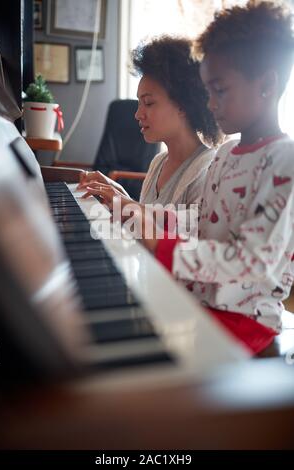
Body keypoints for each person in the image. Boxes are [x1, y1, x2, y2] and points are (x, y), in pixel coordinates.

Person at [140, 0, 294, 355]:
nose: (209, 104)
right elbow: (202, 220)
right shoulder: (226, 154)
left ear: (267, 85)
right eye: (208, 91)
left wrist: (162, 245)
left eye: (220, 91)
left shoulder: (283, 161)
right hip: (204, 303)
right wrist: (147, 217)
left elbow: (252, 262)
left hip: (247, 321)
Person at [79, 36, 221, 211]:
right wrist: (117, 194)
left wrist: (126, 205)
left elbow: (186, 234)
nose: (138, 114)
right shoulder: (159, 162)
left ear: (183, 105)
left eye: (149, 103)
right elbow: (146, 224)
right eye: (139, 103)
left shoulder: (206, 170)